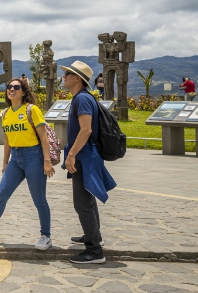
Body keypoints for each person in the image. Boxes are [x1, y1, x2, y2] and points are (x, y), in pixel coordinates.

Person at [0, 78, 54, 250]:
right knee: (1, 194)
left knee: (39, 199)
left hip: (34, 156)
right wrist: (5, 162)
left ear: (24, 91)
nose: (11, 89)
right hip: (15, 158)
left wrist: (47, 162)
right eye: (9, 87)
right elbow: (7, 140)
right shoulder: (5, 113)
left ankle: (46, 236)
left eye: (16, 87)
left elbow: (43, 137)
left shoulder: (31, 110)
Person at [61, 61, 117, 264]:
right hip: (84, 154)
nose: (63, 77)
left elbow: (86, 130)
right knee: (88, 199)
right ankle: (94, 236)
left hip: (84, 155)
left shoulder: (82, 99)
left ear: (77, 79)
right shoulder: (82, 98)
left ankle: (94, 251)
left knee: (82, 203)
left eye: (67, 74)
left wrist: (71, 154)